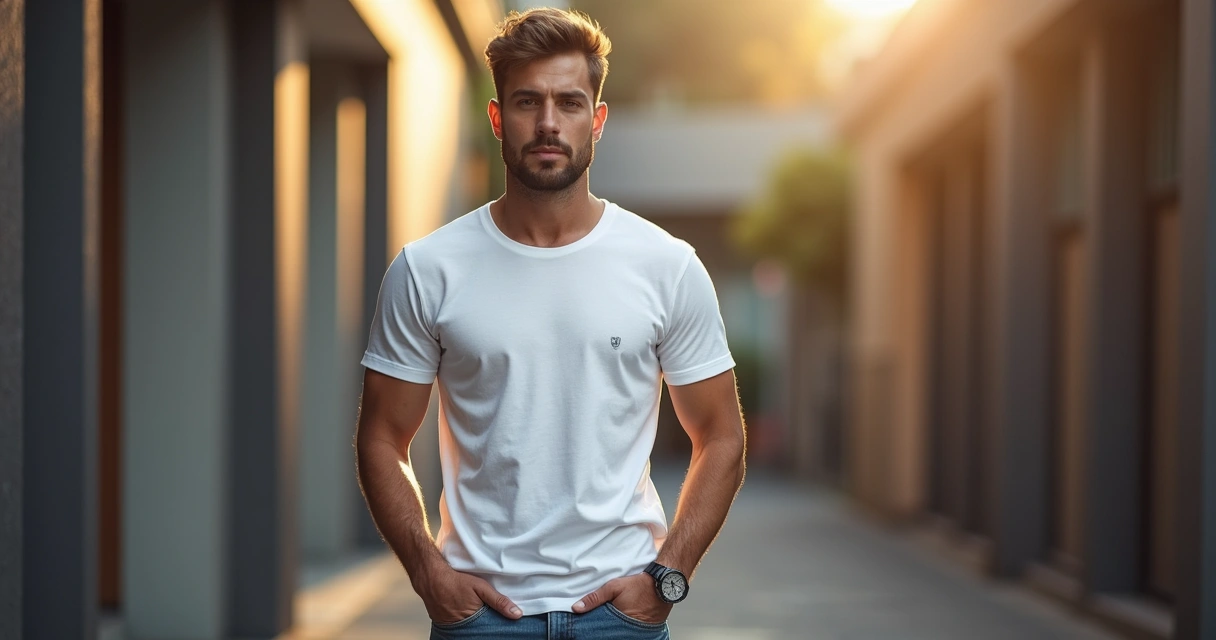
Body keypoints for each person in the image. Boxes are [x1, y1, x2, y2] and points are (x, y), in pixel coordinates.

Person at [355, 8, 746, 639]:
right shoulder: (428, 269)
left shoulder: (666, 266)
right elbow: (380, 437)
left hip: (622, 619)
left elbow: (722, 437)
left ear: (597, 120)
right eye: (526, 102)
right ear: (495, 118)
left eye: (568, 102)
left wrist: (666, 578)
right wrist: (430, 573)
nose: (546, 124)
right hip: (480, 618)